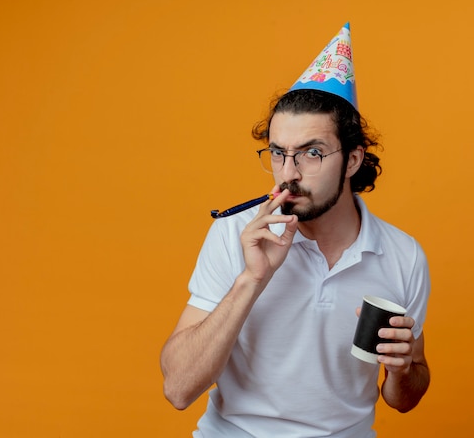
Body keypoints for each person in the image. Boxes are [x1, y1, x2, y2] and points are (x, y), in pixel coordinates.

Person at [160, 23, 431, 438]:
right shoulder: (237, 235)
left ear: (354, 160)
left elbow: (404, 398)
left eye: (312, 153)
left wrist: (402, 368)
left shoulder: (403, 256)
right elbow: (178, 389)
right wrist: (253, 278)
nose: (289, 173)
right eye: (278, 154)